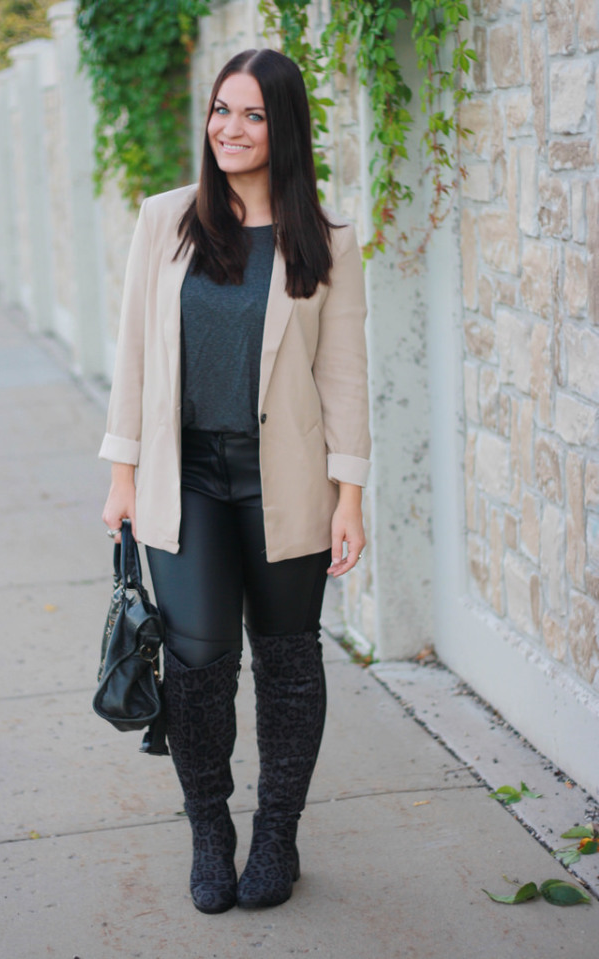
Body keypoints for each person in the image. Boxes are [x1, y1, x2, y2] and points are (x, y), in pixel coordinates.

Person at [100, 48, 370, 914]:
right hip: (190, 479)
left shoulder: (324, 241)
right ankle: (210, 829)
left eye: (252, 114)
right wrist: (122, 473)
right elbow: (135, 354)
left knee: (288, 662)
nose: (230, 128)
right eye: (221, 110)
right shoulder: (167, 220)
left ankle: (278, 833)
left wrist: (350, 496)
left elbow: (345, 379)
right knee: (199, 664)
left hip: (284, 482)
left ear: (282, 125)